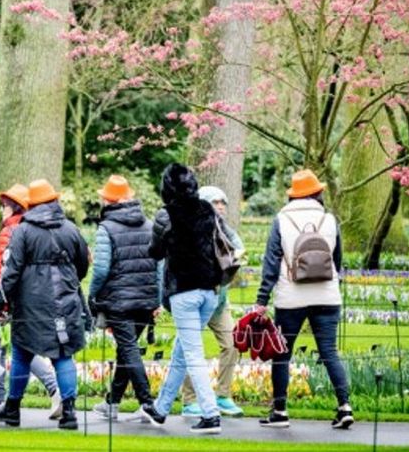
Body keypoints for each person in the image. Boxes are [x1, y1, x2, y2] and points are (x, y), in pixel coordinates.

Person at [254, 169, 354, 430]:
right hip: (328, 295)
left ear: (294, 195)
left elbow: (271, 263)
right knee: (329, 352)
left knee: (282, 354)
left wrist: (262, 299)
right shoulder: (330, 220)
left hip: (291, 298)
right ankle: (344, 406)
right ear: (317, 193)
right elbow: (337, 259)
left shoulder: (281, 220)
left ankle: (280, 411)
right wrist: (333, 282)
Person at [0, 179, 90, 430]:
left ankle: (12, 409)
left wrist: (2, 300)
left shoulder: (23, 231)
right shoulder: (70, 229)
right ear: (54, 201)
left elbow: (10, 271)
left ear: (32, 205)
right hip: (65, 300)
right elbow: (83, 264)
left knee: (22, 352)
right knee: (63, 355)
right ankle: (69, 412)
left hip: (30, 304)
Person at [142, 163, 222, 435]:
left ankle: (211, 415)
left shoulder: (166, 214)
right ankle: (161, 409)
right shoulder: (207, 209)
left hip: (184, 292)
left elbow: (155, 252)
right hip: (210, 290)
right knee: (182, 351)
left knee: (193, 354)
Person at [0, 184, 62, 420]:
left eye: (4, 206)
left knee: (16, 349)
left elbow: (3, 270)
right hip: (30, 297)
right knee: (20, 349)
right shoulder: (32, 227)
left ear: (14, 207)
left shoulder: (10, 230)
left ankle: (6, 402)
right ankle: (12, 400)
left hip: (12, 299)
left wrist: (0, 302)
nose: (1, 211)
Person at [88, 175, 160, 422]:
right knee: (126, 351)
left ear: (107, 200)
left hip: (118, 300)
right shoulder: (149, 225)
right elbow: (159, 265)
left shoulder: (106, 228)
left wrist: (93, 294)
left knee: (128, 350)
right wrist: (157, 299)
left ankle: (147, 403)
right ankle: (112, 403)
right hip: (146, 299)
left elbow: (100, 270)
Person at [179, 185, 246, 418]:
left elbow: (239, 248)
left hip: (218, 302)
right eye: (215, 202)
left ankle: (223, 396)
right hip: (195, 301)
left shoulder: (224, 229)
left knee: (232, 344)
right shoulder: (190, 230)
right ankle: (189, 401)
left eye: (222, 203)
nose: (220, 206)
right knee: (191, 349)